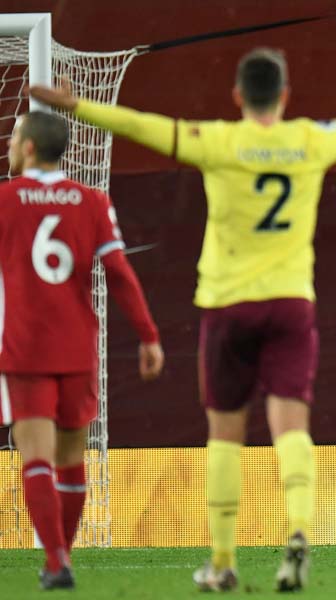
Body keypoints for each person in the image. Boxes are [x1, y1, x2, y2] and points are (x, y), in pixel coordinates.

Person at [30, 32, 336, 591]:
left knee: (224, 435)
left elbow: (141, 124)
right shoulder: (312, 140)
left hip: (226, 305)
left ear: (237, 96)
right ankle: (298, 534)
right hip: (290, 303)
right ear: (286, 95)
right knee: (292, 426)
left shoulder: (216, 141)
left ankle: (222, 562)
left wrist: (78, 106)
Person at [0, 111, 164, 590]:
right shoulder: (92, 200)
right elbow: (119, 273)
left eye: (13, 138)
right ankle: (61, 558)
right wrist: (148, 334)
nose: (9, 146)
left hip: (25, 350)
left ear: (29, 147)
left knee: (35, 457)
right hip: (77, 348)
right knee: (72, 460)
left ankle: (56, 561)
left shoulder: (5, 201)